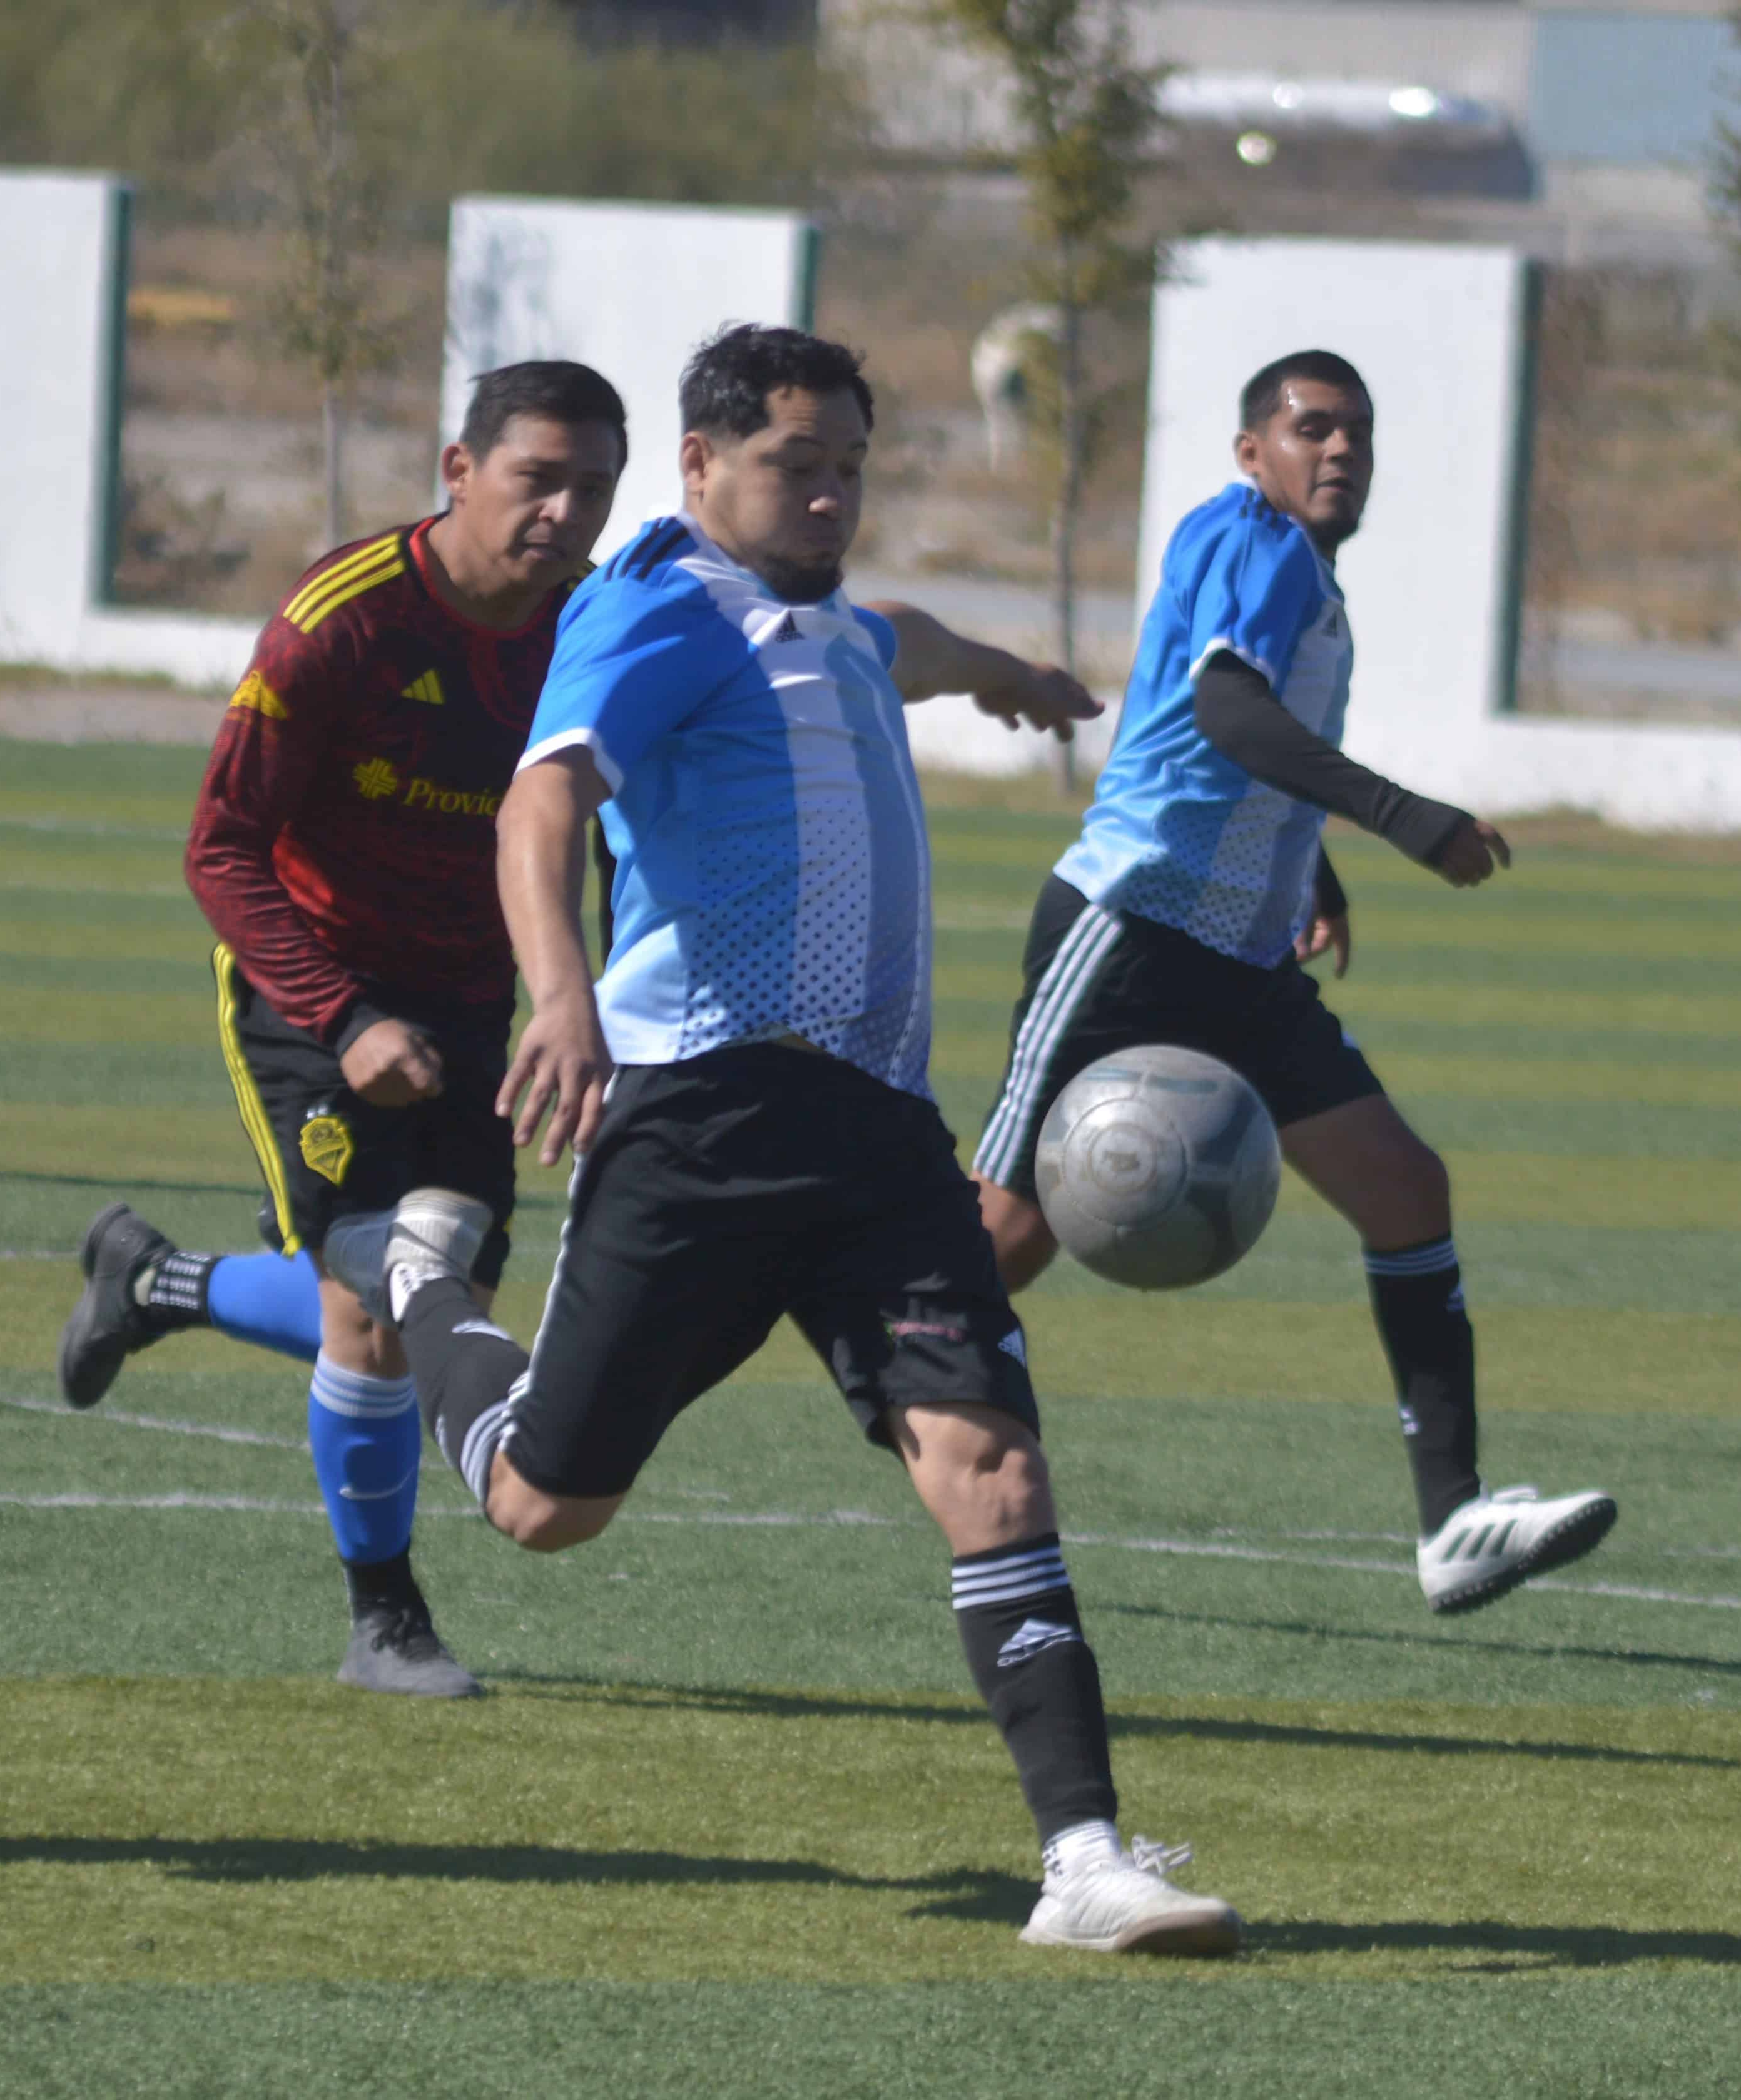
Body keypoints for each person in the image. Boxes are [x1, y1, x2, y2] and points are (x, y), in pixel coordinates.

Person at [357, 324, 1242, 1955]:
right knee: (546, 1505)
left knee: (993, 1466)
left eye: (848, 464)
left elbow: (896, 636)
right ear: (702, 469)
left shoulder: (829, 615)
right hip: (700, 1113)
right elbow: (542, 800)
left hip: (878, 1134)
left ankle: (1085, 1859)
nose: (828, 493)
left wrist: (1008, 675)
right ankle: (427, 1293)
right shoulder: (656, 602)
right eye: (793, 464)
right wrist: (559, 996)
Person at [970, 349, 1615, 1614]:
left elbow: (1238, 746)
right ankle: (815, 1323)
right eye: (1311, 427)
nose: (1338, 452)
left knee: (1405, 1188)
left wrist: (1306, 866)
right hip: (1133, 927)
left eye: (1356, 434)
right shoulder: (1255, 540)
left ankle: (1455, 1524)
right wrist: (1400, 816)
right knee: (1000, 1236)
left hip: (1240, 958)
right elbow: (1224, 708)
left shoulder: (1294, 567)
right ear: (1252, 448)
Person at [52, 362, 627, 1698]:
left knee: (435, 1307)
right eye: (539, 477)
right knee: (386, 1303)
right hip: (312, 993)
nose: (566, 511)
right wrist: (344, 1014)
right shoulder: (340, 624)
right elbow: (220, 846)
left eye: (593, 485)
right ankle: (386, 1621)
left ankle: (158, 1281)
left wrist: (579, 998)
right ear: (459, 469)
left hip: (484, 1005)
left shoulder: (590, 628)